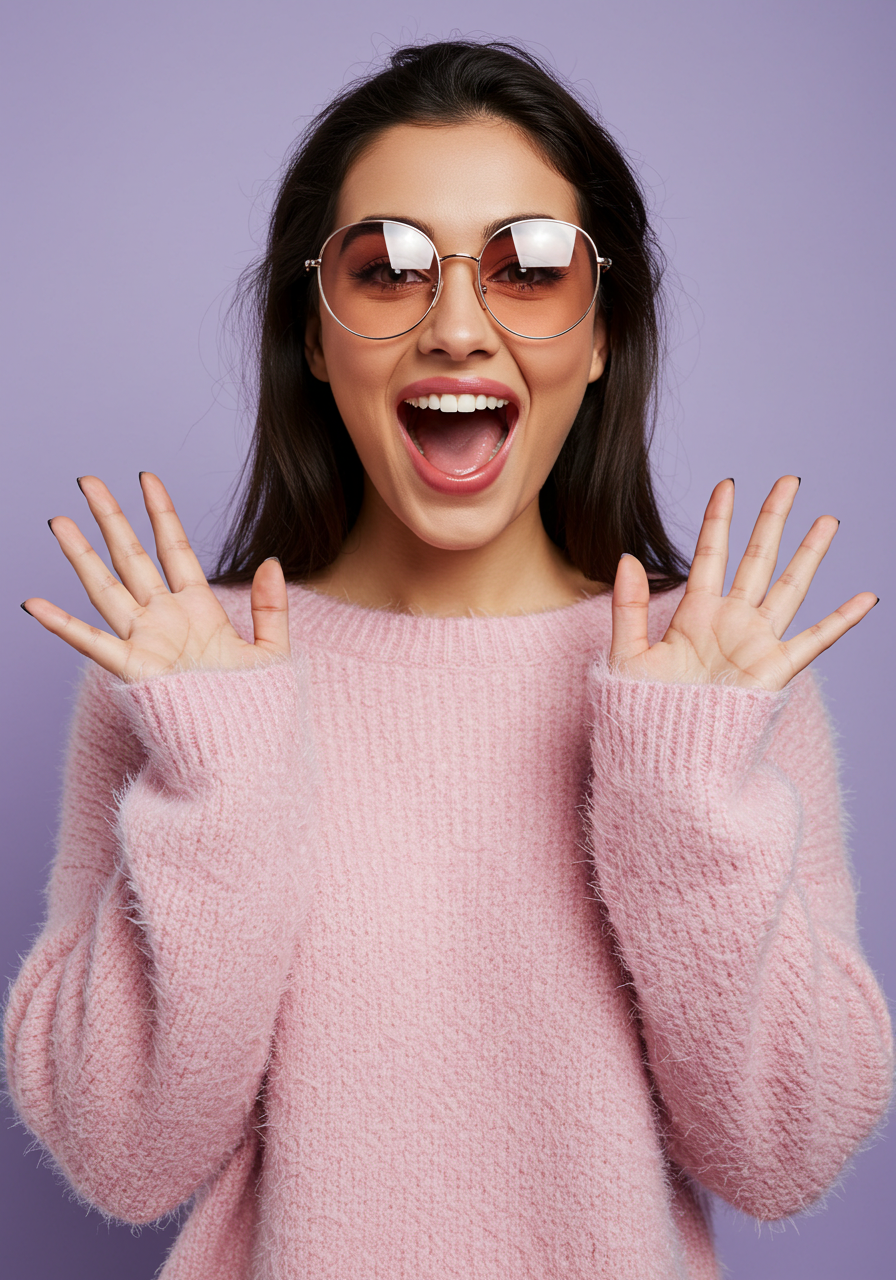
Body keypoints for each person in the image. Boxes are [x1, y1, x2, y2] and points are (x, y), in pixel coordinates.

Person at [4, 39, 892, 1280]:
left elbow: (781, 1153)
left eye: (529, 268)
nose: (458, 327)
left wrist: (681, 786)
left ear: (598, 336)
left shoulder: (714, 679)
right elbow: (123, 1153)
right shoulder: (179, 675)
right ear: (315, 337)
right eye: (387, 269)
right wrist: (217, 772)